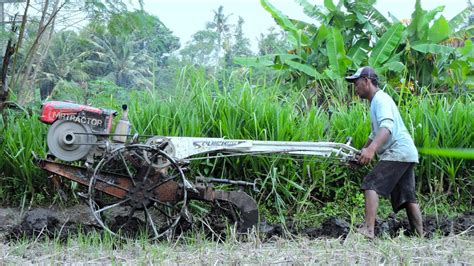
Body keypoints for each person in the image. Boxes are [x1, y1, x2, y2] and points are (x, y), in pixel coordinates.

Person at [345, 66, 423, 239]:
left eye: (356, 83)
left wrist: (371, 150)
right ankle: (420, 236)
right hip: (406, 152)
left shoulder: (380, 100)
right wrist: (361, 153)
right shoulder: (376, 101)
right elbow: (375, 134)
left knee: (370, 184)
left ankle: (368, 229)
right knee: (408, 196)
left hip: (398, 151)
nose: (355, 88)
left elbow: (386, 127)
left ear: (366, 81)